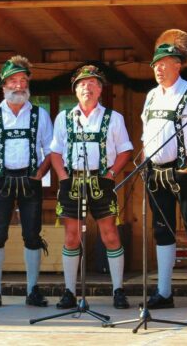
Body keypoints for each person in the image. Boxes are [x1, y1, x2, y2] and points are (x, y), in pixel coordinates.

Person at [141, 29, 187, 311]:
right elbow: (145, 134)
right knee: (162, 230)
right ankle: (163, 291)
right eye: (155, 65)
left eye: (163, 64)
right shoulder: (150, 96)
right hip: (155, 171)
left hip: (184, 170)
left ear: (177, 64)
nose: (158, 69)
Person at [50, 65, 133, 309]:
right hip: (72, 181)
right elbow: (55, 151)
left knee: (110, 235)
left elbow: (125, 150)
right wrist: (63, 176)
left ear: (100, 90)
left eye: (93, 83)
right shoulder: (64, 117)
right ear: (75, 90)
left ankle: (118, 290)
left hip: (101, 181)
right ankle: (69, 292)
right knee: (71, 236)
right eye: (82, 84)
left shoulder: (113, 118)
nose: (87, 87)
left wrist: (111, 173)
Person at [0, 56, 53, 308]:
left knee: (32, 235)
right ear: (3, 86)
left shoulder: (39, 114)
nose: (19, 86)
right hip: (2, 181)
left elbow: (50, 149)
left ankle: (33, 290)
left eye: (23, 81)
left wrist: (40, 172)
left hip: (30, 180)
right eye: (13, 81)